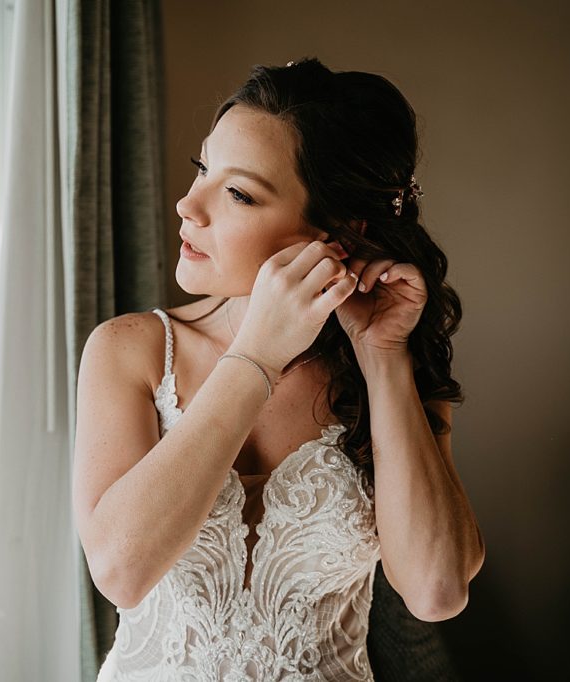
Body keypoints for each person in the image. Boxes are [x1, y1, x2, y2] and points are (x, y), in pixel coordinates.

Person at [72, 58, 485, 680]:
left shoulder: (390, 367)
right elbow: (120, 573)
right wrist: (256, 358)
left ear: (336, 234)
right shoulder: (128, 349)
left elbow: (436, 590)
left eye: (237, 193)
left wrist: (383, 358)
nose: (188, 205)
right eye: (202, 170)